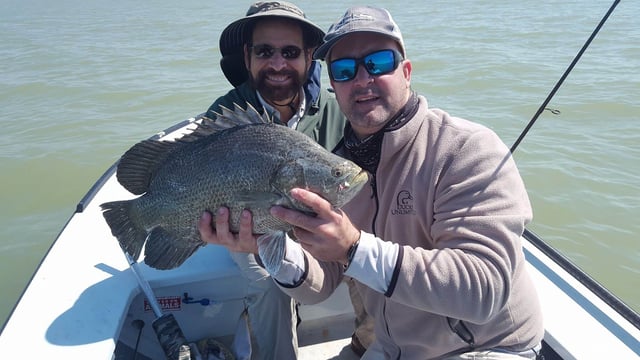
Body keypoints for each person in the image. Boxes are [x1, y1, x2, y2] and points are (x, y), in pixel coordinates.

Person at [201, 5, 545, 360]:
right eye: (345, 70)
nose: (363, 79)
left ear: (406, 72)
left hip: (485, 349)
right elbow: (321, 283)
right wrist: (272, 248)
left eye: (379, 63)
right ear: (333, 84)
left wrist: (352, 248)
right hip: (391, 347)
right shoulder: (340, 162)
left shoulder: (466, 148)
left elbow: (483, 291)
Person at [201, 2, 346, 359]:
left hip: (318, 226)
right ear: (248, 56)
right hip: (250, 229)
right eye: (265, 51)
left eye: (290, 52)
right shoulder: (226, 114)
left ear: (309, 57)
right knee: (268, 274)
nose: (278, 64)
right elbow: (202, 180)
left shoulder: (335, 110)